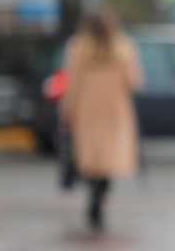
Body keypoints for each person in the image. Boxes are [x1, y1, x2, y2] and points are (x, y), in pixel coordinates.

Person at [60, 12, 143, 231]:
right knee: (109, 159)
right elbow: (134, 82)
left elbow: (72, 83)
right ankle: (100, 196)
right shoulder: (123, 48)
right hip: (115, 110)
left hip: (87, 109)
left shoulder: (78, 47)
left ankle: (93, 194)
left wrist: (67, 110)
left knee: (91, 158)